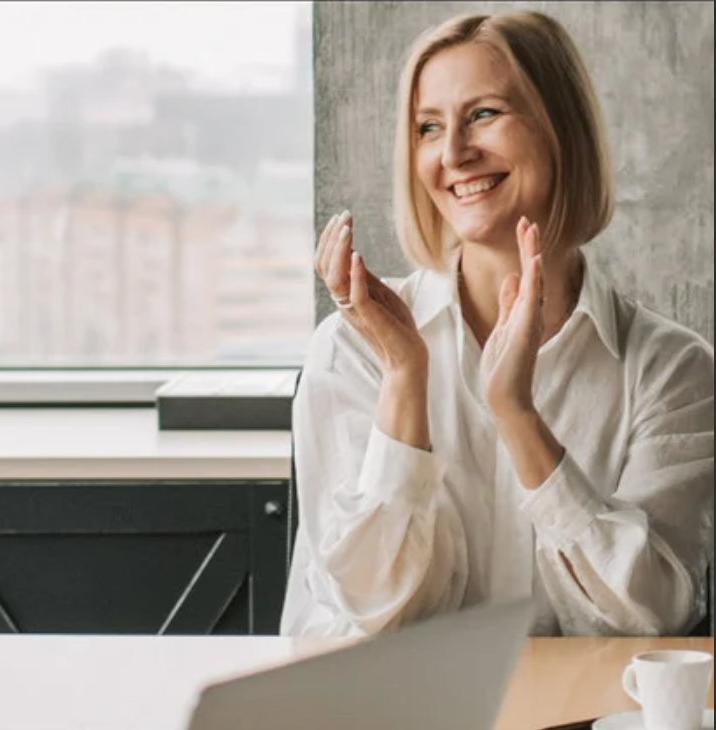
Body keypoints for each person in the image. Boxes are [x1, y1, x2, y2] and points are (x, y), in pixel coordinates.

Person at [282, 10, 714, 638]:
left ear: (562, 129)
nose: (453, 153)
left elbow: (651, 619)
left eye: (484, 114)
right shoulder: (349, 349)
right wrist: (404, 377)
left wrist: (517, 416)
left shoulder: (673, 371)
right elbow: (370, 614)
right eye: (429, 127)